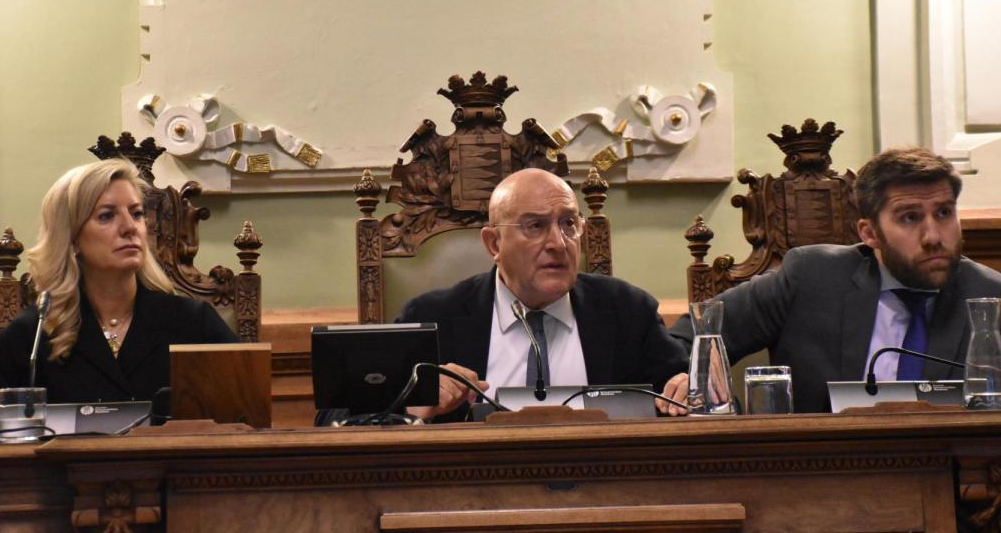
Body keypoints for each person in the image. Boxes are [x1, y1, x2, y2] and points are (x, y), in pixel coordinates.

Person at [658, 147, 1001, 415]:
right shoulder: (812, 277)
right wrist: (695, 379)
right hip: (817, 482)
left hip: (956, 489)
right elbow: (696, 334)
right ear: (870, 233)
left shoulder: (990, 297)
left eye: (944, 213)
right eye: (910, 218)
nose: (933, 236)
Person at [398, 168, 689, 420]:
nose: (558, 243)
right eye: (535, 226)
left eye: (568, 224)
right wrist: (413, 410)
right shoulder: (432, 320)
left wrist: (689, 391)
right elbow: (365, 420)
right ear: (494, 244)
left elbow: (691, 399)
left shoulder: (629, 312)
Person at [0, 159, 237, 431]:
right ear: (72, 239)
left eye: (136, 213)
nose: (130, 227)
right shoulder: (29, 338)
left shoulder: (194, 323)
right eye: (107, 215)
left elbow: (245, 424)